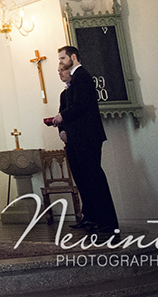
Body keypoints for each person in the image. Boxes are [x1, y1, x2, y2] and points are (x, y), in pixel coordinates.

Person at [53, 46, 119, 233]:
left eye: (63, 58)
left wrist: (62, 117)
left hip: (87, 137)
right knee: (84, 180)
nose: (60, 63)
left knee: (94, 179)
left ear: (73, 57)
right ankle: (92, 218)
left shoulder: (82, 76)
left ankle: (108, 222)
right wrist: (62, 129)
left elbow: (80, 106)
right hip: (76, 137)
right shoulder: (74, 82)